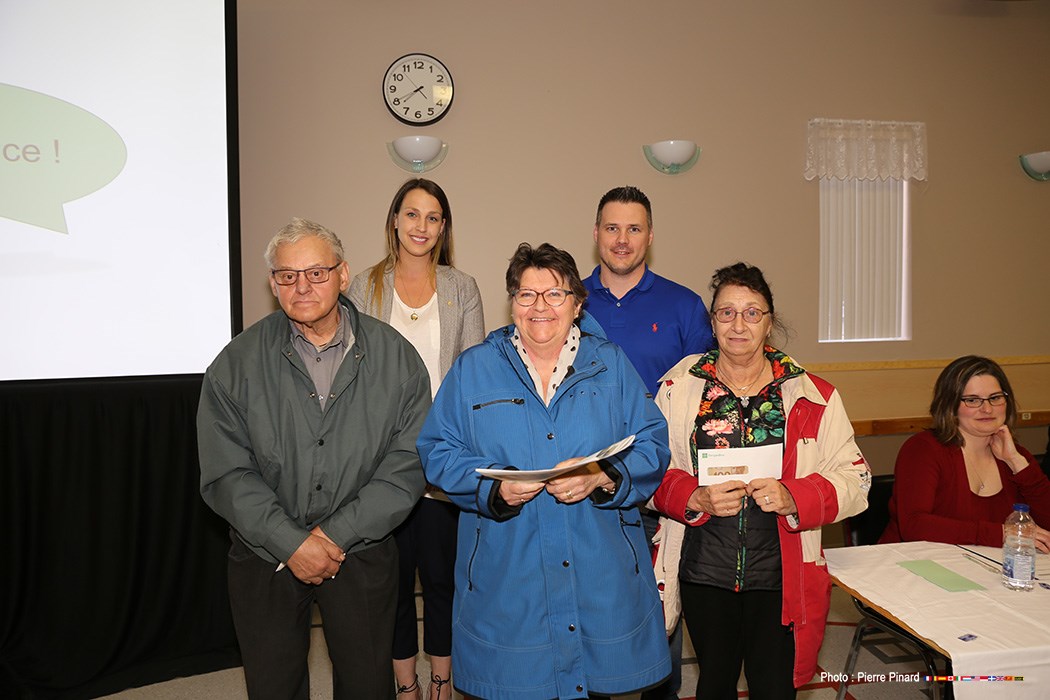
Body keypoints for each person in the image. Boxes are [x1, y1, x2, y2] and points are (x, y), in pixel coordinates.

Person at [417, 243, 672, 700]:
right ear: (512, 302)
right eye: (526, 295)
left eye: (554, 295)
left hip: (603, 571)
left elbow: (652, 442)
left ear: (577, 303)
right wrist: (493, 485)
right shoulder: (474, 368)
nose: (540, 307)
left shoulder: (610, 365)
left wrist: (600, 475)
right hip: (507, 574)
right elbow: (437, 450)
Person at [198, 218, 430, 700]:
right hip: (264, 555)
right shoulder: (234, 364)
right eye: (287, 275)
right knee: (273, 686)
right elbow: (226, 472)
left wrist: (333, 535)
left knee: (368, 686)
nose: (301, 286)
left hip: (362, 552)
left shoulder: (397, 358)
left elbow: (406, 464)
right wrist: (292, 542)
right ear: (273, 283)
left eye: (317, 273)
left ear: (343, 275)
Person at [650, 262, 869, 699]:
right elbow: (649, 469)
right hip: (704, 572)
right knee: (714, 684)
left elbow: (857, 478)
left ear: (770, 322)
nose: (738, 324)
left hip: (782, 576)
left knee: (774, 688)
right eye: (726, 313)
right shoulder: (678, 387)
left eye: (752, 312)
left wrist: (795, 495)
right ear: (712, 322)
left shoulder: (813, 394)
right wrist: (695, 496)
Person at [348, 178, 484, 700]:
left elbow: (470, 377)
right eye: (411, 214)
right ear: (395, 221)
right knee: (394, 584)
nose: (421, 226)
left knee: (445, 581)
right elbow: (354, 377)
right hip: (382, 462)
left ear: (443, 226)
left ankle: (442, 682)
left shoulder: (462, 287)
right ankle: (405, 684)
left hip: (444, 459)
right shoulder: (363, 287)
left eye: (432, 217)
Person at [583, 185, 715, 700]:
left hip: (662, 483)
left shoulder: (684, 306)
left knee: (662, 609)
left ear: (651, 236)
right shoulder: (568, 303)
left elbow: (706, 399)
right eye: (612, 228)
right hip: (589, 481)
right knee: (594, 608)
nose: (622, 239)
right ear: (596, 234)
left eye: (633, 228)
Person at [880, 355, 1050, 552]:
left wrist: (1018, 464)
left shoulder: (1017, 455)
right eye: (972, 400)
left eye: (995, 398)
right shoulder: (923, 449)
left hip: (991, 569)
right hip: (912, 565)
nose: (987, 409)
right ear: (950, 407)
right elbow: (915, 526)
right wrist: (1000, 534)